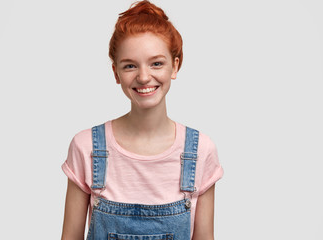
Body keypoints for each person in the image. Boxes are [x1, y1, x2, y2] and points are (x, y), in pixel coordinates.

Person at [61, 1, 223, 239]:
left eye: (156, 63)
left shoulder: (200, 150)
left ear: (175, 66)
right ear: (116, 72)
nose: (144, 77)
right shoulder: (87, 147)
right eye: (130, 66)